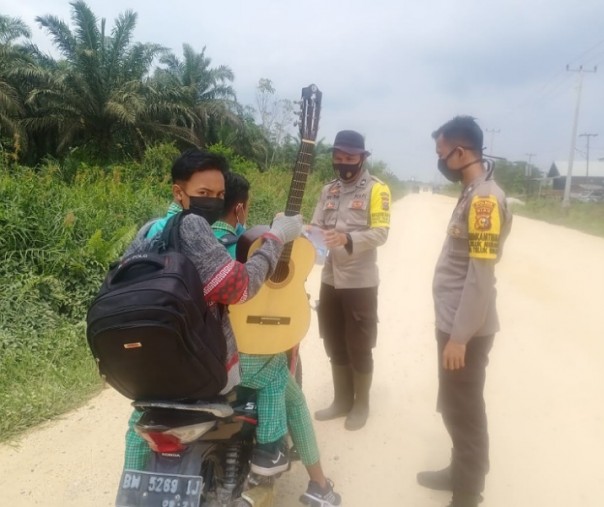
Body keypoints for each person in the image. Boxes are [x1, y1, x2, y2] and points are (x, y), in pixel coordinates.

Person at [122, 148, 303, 476]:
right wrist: (276, 237)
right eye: (204, 193)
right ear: (179, 192)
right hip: (201, 371)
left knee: (139, 422)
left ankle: (131, 488)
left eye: (219, 195)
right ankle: (269, 453)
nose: (213, 202)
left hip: (146, 370)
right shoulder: (194, 226)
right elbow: (239, 287)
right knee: (275, 373)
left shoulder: (149, 230)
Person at [212, 171, 342, 506]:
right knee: (292, 397)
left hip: (196, 355)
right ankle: (307, 482)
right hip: (242, 358)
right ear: (240, 209)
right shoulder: (249, 252)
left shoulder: (188, 239)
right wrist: (276, 238)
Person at [416, 116, 512, 507]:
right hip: (453, 322)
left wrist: (459, 337)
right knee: (454, 405)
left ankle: (468, 493)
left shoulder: (485, 199)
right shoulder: (472, 190)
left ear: (460, 152)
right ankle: (458, 471)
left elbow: (480, 277)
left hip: (465, 329)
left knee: (466, 409)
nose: (440, 160)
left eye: (442, 153)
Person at [310, 130, 391, 431]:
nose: (344, 163)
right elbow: (317, 227)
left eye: (350, 158)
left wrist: (347, 238)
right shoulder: (327, 190)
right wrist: (302, 229)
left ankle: (362, 404)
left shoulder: (377, 190)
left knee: (359, 344)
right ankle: (342, 400)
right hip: (330, 277)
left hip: (360, 280)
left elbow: (381, 233)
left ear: (362, 158)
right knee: (333, 339)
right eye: (339, 158)